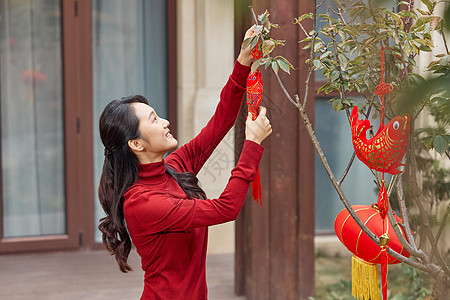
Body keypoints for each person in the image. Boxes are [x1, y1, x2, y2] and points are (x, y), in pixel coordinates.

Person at [97, 25, 272, 300]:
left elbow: (219, 124)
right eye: (154, 120)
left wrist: (243, 62)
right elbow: (227, 209)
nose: (165, 122)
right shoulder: (142, 202)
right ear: (136, 143)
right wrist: (251, 145)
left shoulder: (174, 168)